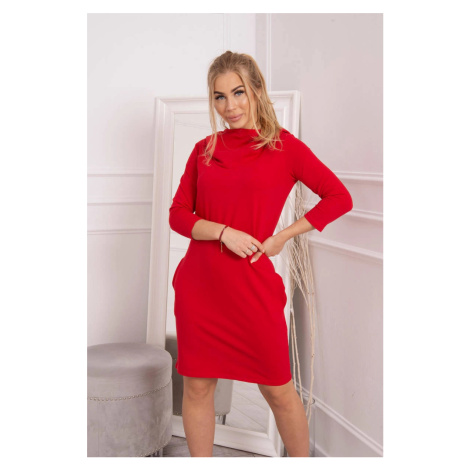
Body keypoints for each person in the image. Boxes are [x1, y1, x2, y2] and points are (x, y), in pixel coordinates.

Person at [169, 51, 353, 457]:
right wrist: (223, 232)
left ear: (256, 90)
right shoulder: (204, 150)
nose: (229, 106)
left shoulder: (285, 148)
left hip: (252, 289)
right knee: (197, 387)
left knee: (278, 390)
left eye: (238, 93)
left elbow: (339, 197)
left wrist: (283, 236)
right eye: (219, 97)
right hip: (200, 288)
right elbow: (178, 215)